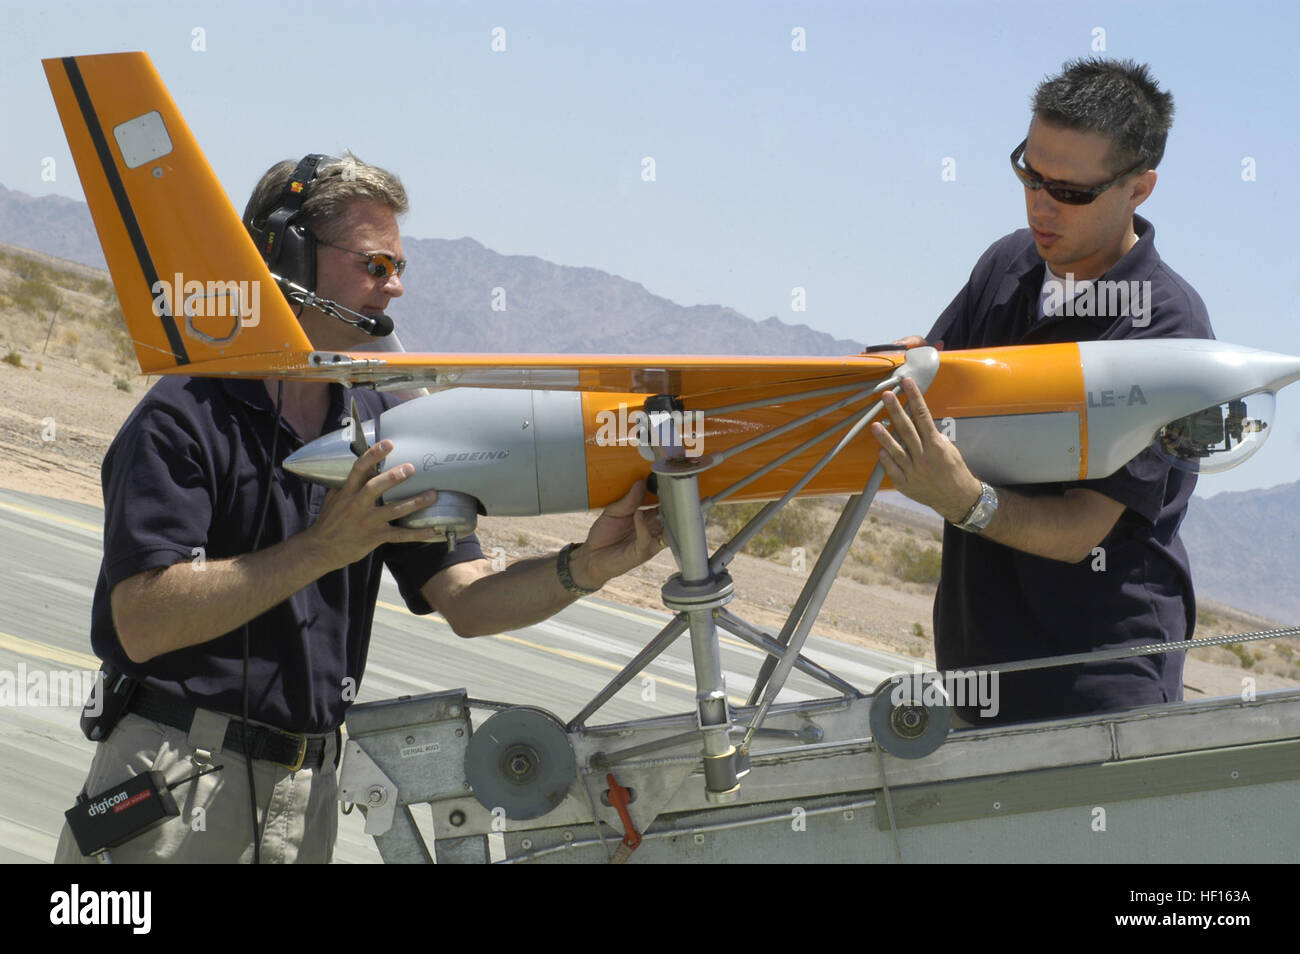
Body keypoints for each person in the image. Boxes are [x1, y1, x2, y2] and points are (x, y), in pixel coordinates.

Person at [55, 154, 664, 863]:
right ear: (287, 258)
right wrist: (321, 548)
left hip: (305, 795)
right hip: (172, 780)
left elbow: (466, 602)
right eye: (374, 265)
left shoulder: (382, 423)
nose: (395, 287)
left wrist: (583, 568)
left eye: (398, 266)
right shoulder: (183, 417)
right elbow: (141, 621)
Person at [877, 59, 1212, 724]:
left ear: (1139, 187)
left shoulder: (1168, 330)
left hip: (1096, 693)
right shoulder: (1007, 265)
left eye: (1070, 191)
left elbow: (1083, 532)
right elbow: (934, 389)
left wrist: (966, 503)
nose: (1040, 204)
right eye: (1028, 174)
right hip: (977, 676)